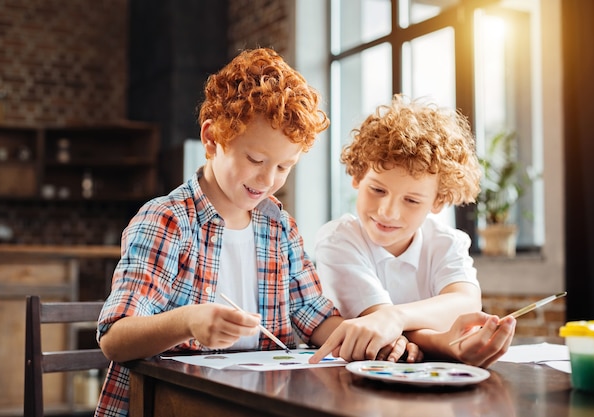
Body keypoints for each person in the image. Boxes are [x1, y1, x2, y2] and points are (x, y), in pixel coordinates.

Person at [94, 48, 412, 417]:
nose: (267, 180)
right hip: (168, 404)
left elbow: (315, 317)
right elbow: (115, 339)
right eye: (256, 160)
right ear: (212, 139)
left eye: (283, 166)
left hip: (250, 402)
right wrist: (189, 321)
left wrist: (371, 341)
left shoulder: (277, 225)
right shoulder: (168, 220)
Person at [309, 95, 515, 368]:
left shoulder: (446, 242)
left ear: (438, 201)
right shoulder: (339, 240)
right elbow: (379, 323)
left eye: (412, 200)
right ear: (357, 176)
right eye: (378, 190)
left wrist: (397, 318)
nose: (388, 212)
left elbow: (466, 302)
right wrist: (445, 342)